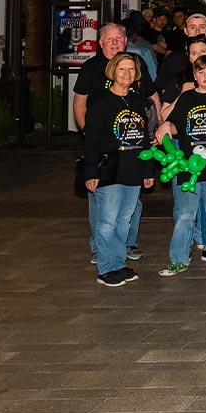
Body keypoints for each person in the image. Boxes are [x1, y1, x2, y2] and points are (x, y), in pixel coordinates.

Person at [156, 56, 206, 277]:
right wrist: (166, 127)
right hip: (186, 166)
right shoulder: (186, 97)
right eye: (201, 72)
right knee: (184, 214)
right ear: (194, 75)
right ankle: (178, 259)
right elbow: (174, 124)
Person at [82, 53, 156, 286]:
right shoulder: (101, 103)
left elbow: (144, 139)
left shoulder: (137, 101)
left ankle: (118, 263)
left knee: (125, 219)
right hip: (109, 167)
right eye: (122, 69)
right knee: (108, 221)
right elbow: (91, 139)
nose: (127, 74)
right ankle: (106, 267)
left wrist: (148, 171)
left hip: (134, 167)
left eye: (131, 70)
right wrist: (91, 171)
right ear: (113, 71)